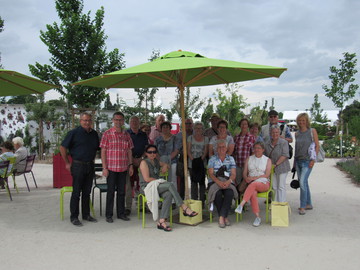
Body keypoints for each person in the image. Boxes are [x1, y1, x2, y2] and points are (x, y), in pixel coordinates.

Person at [139, 144, 198, 232]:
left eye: (154, 152)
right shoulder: (144, 163)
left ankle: (162, 221)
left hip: (156, 186)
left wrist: (165, 165)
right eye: (150, 152)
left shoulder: (155, 161)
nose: (152, 154)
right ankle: (184, 207)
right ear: (146, 153)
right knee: (170, 185)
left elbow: (166, 165)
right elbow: (147, 179)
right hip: (147, 187)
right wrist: (159, 181)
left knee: (168, 193)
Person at [60, 112, 99, 227]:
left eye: (89, 120)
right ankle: (74, 217)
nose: (87, 122)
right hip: (78, 165)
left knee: (87, 192)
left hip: (90, 165)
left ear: (91, 121)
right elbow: (62, 147)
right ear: (80, 121)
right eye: (84, 120)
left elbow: (97, 148)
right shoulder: (73, 133)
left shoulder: (94, 134)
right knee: (76, 192)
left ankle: (86, 214)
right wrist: (67, 163)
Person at [100, 112, 134, 223]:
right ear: (113, 120)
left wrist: (130, 165)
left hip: (123, 168)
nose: (118, 122)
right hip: (111, 168)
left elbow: (129, 151)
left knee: (121, 192)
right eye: (116, 120)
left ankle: (121, 213)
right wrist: (104, 168)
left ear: (123, 121)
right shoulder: (107, 134)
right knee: (110, 192)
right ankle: (109, 215)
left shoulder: (126, 135)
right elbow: (103, 151)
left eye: (121, 120)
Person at [235, 142, 272, 227]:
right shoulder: (249, 159)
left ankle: (241, 205)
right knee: (253, 193)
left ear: (263, 150)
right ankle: (257, 217)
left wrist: (254, 178)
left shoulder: (267, 160)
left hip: (263, 182)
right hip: (251, 183)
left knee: (253, 185)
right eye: (255, 148)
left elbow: (266, 175)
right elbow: (244, 173)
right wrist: (246, 178)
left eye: (259, 148)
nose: (256, 150)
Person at [207, 140, 238, 228]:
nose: (221, 149)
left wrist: (228, 182)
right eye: (219, 147)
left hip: (227, 181)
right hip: (215, 182)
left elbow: (233, 174)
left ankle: (221, 217)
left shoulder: (230, 158)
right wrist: (219, 182)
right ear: (216, 149)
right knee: (217, 194)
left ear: (227, 148)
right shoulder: (212, 158)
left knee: (230, 193)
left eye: (223, 147)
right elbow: (211, 174)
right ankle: (224, 217)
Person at [294, 113, 319, 215]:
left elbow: (317, 146)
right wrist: (294, 164)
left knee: (302, 182)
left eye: (303, 120)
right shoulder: (297, 133)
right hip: (298, 161)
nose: (301, 122)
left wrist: (313, 160)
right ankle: (309, 203)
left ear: (307, 121)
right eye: (300, 120)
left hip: (307, 161)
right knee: (304, 182)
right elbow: (296, 148)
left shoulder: (312, 131)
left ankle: (302, 206)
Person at [125, 116, 149, 215]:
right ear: (129, 123)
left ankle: (142, 206)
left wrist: (141, 159)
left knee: (141, 184)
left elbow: (146, 148)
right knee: (128, 186)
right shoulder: (125, 133)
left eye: (136, 121)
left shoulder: (143, 135)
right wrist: (131, 160)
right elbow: (125, 149)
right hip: (128, 162)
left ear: (139, 123)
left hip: (141, 161)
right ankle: (128, 207)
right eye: (132, 121)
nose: (134, 123)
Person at [265, 126, 291, 202]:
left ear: (279, 133)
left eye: (276, 132)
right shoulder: (267, 143)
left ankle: (282, 203)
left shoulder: (284, 142)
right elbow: (266, 156)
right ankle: (275, 203)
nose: (275, 134)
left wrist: (276, 164)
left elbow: (285, 155)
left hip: (282, 167)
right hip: (272, 168)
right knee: (274, 186)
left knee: (281, 186)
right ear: (270, 133)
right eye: (273, 132)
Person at [155, 121, 181, 192]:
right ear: (161, 129)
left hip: (172, 162)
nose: (165, 129)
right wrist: (161, 161)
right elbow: (155, 151)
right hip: (159, 162)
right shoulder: (157, 139)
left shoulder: (175, 138)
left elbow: (176, 151)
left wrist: (167, 160)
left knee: (173, 179)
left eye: (167, 127)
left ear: (170, 129)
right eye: (163, 127)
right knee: (160, 180)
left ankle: (173, 199)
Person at [187, 121, 209, 205]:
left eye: (200, 128)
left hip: (202, 163)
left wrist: (200, 160)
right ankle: (194, 201)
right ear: (194, 129)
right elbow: (188, 150)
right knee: (193, 182)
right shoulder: (190, 138)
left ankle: (202, 202)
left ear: (203, 129)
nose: (198, 130)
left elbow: (206, 150)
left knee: (202, 182)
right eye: (196, 128)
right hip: (192, 163)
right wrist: (193, 160)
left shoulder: (206, 138)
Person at [233, 118, 255, 186]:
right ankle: (238, 196)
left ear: (248, 126)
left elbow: (253, 152)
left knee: (246, 183)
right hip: (238, 164)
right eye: (242, 124)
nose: (244, 126)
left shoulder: (251, 137)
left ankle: (245, 196)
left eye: (245, 124)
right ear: (240, 125)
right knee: (237, 182)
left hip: (247, 165)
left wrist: (250, 163)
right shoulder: (236, 137)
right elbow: (234, 151)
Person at [176, 118, 193, 199]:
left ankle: (194, 198)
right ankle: (181, 198)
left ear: (192, 124)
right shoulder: (179, 135)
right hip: (183, 158)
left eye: (189, 123)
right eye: (186, 124)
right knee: (182, 179)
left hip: (194, 158)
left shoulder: (196, 133)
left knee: (194, 178)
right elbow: (177, 148)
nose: (188, 125)